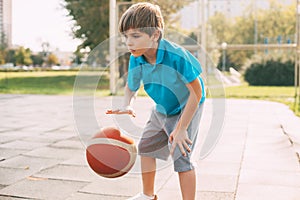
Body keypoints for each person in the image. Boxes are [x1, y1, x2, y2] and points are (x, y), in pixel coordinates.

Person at [106, 2, 205, 200]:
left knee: (182, 157)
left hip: (187, 106)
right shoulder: (137, 57)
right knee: (146, 147)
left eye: (135, 36)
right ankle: (148, 195)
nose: (129, 42)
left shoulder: (176, 56)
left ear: (155, 35)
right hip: (161, 108)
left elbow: (197, 92)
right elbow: (131, 86)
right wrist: (127, 104)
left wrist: (182, 127)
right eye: (126, 37)